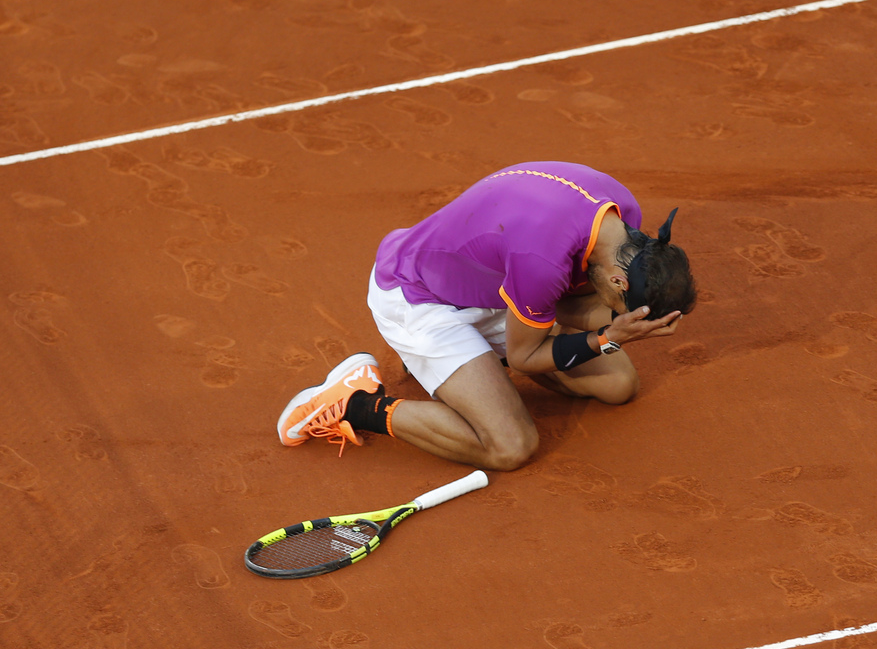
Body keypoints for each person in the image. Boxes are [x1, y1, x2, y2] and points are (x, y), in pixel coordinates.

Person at [277, 162, 697, 471]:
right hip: (419, 299)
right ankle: (353, 404)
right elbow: (526, 358)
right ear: (621, 281)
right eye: (621, 305)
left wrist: (616, 327)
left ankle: (476, 361)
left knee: (619, 384)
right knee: (509, 446)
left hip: (493, 286)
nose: (616, 311)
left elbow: (568, 303)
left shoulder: (624, 223)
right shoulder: (542, 258)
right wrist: (608, 335)